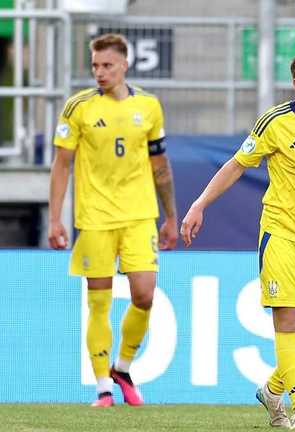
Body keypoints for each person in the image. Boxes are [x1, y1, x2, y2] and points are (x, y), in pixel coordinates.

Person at [180, 51, 295, 430]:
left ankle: (273, 389)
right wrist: (199, 204)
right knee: (287, 320)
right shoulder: (275, 122)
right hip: (281, 234)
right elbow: (235, 166)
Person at [48, 33, 178, 408]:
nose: (100, 73)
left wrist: (171, 217)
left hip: (139, 216)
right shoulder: (78, 107)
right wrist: (56, 219)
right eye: (95, 66)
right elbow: (61, 165)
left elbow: (160, 165)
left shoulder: (150, 107)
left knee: (144, 294)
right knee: (99, 302)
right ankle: (103, 386)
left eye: (107, 65)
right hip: (95, 218)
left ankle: (123, 367)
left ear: (125, 64)